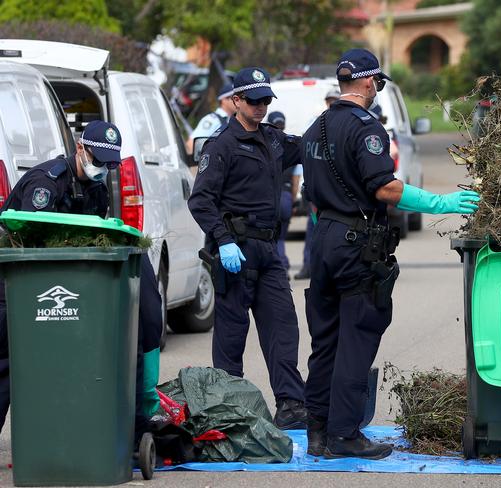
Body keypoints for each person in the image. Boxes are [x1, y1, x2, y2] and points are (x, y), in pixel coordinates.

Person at [300, 48, 480, 459]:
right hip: (356, 244)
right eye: (378, 83)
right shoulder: (367, 129)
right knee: (357, 338)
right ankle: (344, 435)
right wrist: (441, 203)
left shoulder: (317, 128)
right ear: (367, 82)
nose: (378, 89)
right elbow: (385, 187)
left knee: (324, 341)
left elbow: (308, 193)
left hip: (324, 238)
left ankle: (317, 433)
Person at [0, 120, 162, 445]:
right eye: (97, 159)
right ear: (80, 148)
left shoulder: (96, 190)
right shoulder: (46, 184)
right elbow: (31, 239)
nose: (102, 168)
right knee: (8, 355)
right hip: (17, 281)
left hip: (68, 280)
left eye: (109, 163)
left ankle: (115, 428)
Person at [188, 67, 307, 429]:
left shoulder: (273, 139)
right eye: (253, 100)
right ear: (236, 100)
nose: (261, 107)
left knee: (283, 328)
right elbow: (201, 201)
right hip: (235, 252)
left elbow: (309, 146)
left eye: (266, 100)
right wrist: (222, 240)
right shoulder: (221, 145)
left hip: (268, 251)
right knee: (231, 335)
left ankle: (290, 404)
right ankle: (230, 409)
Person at [294, 89, 341, 281]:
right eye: (329, 101)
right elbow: (305, 151)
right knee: (313, 231)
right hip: (316, 191)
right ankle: (309, 266)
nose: (331, 104)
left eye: (334, 100)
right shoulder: (316, 123)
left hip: (336, 191)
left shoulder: (344, 124)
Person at [268, 111, 302, 276]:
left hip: (272, 198)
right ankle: (282, 264)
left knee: (273, 237)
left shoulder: (264, 147)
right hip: (287, 196)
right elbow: (296, 179)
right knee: (281, 237)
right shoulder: (290, 147)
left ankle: (280, 266)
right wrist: (294, 201)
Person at [186, 83, 236, 151]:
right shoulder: (212, 120)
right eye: (234, 98)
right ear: (224, 100)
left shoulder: (233, 120)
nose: (238, 101)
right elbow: (191, 144)